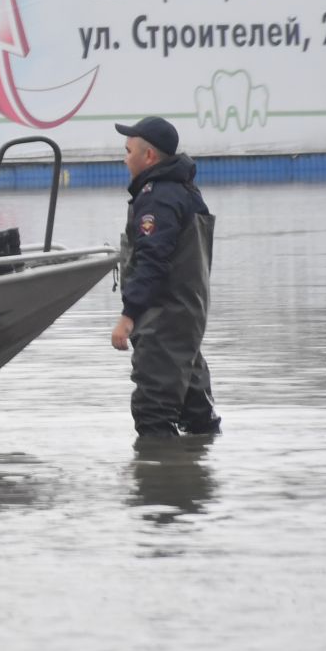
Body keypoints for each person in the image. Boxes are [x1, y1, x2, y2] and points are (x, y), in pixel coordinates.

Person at [110, 116, 222, 438]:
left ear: (149, 157)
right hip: (187, 322)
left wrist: (128, 316)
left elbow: (152, 261)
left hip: (163, 323)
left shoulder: (157, 198)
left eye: (128, 151)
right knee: (199, 415)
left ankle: (160, 485)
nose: (124, 158)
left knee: (152, 414)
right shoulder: (186, 191)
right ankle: (198, 478)